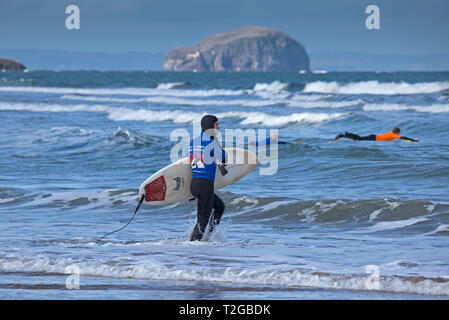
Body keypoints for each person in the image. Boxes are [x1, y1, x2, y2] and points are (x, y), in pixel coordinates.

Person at [188, 115, 227, 241]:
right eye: (217, 124)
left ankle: (210, 237)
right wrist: (216, 141)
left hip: (194, 184)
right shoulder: (211, 142)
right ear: (211, 126)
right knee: (201, 225)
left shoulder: (193, 141)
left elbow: (196, 160)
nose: (219, 127)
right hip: (205, 185)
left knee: (220, 207)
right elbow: (223, 157)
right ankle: (192, 250)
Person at [335, 127, 419, 142]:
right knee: (359, 139)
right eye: (399, 132)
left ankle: (346, 135)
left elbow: (403, 138)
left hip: (374, 136)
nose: (399, 134)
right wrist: (413, 140)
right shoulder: (394, 135)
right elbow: (404, 137)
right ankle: (345, 135)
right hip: (374, 138)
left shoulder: (391, 133)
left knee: (358, 139)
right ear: (397, 132)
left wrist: (409, 140)